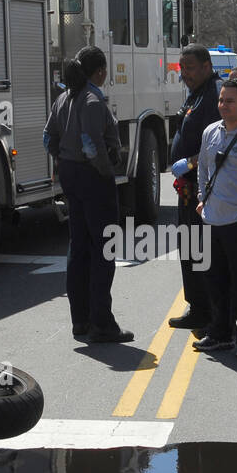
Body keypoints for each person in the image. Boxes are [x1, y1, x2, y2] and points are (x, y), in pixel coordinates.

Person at [43, 46, 134, 344]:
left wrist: (64, 159)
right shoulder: (93, 100)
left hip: (70, 174)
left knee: (78, 248)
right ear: (99, 72)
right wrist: (107, 171)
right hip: (92, 178)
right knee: (103, 250)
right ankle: (102, 324)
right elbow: (91, 145)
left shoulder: (63, 98)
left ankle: (80, 321)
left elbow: (48, 138)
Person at [192, 78, 237, 358]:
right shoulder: (210, 131)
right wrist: (202, 199)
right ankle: (220, 332)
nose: (223, 105)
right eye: (221, 100)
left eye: (230, 100)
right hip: (212, 218)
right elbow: (203, 168)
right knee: (215, 280)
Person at [167, 44, 221, 332]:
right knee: (188, 248)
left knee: (201, 251)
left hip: (203, 188)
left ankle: (211, 312)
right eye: (181, 68)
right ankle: (197, 307)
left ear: (206, 67)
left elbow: (217, 146)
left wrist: (187, 164)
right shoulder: (197, 94)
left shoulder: (214, 95)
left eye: (189, 68)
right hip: (187, 186)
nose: (184, 73)